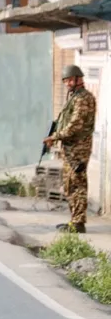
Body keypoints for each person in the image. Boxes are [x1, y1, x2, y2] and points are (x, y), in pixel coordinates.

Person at [44, 65, 96, 233]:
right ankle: (75, 220)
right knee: (69, 185)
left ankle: (79, 223)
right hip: (70, 148)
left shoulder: (83, 99)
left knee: (77, 185)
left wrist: (55, 136)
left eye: (68, 81)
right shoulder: (75, 97)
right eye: (65, 81)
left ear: (76, 79)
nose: (67, 84)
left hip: (78, 149)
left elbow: (75, 125)